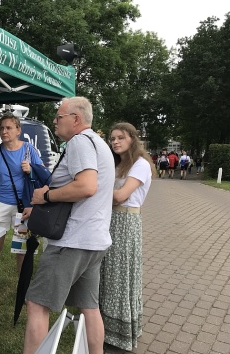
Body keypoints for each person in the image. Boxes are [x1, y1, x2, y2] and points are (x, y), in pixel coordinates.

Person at [22, 97, 114, 354]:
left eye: (58, 116)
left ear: (76, 119)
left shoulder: (79, 142)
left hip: (72, 242)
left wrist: (45, 197)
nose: (54, 121)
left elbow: (86, 186)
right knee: (90, 307)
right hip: (95, 241)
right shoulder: (99, 143)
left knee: (37, 304)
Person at [99, 122, 156, 352]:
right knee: (109, 271)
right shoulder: (119, 164)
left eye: (120, 137)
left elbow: (121, 195)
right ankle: (104, 325)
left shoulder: (140, 165)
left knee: (121, 274)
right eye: (113, 138)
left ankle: (119, 331)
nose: (115, 142)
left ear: (132, 138)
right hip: (111, 220)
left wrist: (93, 190)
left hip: (125, 222)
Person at [0, 114, 43, 282]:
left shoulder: (29, 150)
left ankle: (23, 288)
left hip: (24, 207)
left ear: (18, 130)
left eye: (8, 128)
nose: (4, 131)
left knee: (22, 248)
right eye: (1, 128)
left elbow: (43, 176)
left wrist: (31, 169)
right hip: (0, 204)